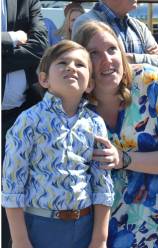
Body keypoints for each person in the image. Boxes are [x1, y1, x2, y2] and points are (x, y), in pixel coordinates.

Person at [2, 40, 115, 248]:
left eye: (80, 65)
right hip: (39, 227)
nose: (71, 67)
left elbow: (102, 184)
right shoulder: (29, 121)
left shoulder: (95, 123)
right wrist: (19, 239)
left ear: (89, 84)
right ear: (44, 79)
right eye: (62, 62)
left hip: (85, 227)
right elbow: (12, 185)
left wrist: (100, 238)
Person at [74, 21, 158, 247]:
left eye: (112, 49)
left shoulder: (153, 85)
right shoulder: (72, 106)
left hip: (155, 228)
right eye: (94, 53)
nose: (107, 60)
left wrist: (124, 159)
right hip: (101, 233)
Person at [1, 0, 48, 246]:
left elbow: (40, 46)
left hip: (20, 114)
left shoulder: (27, 1)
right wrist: (10, 38)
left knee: (16, 194)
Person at [72, 0, 158, 68]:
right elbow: (87, 66)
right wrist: (147, 59)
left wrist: (132, 58)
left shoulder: (139, 26)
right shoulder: (85, 23)